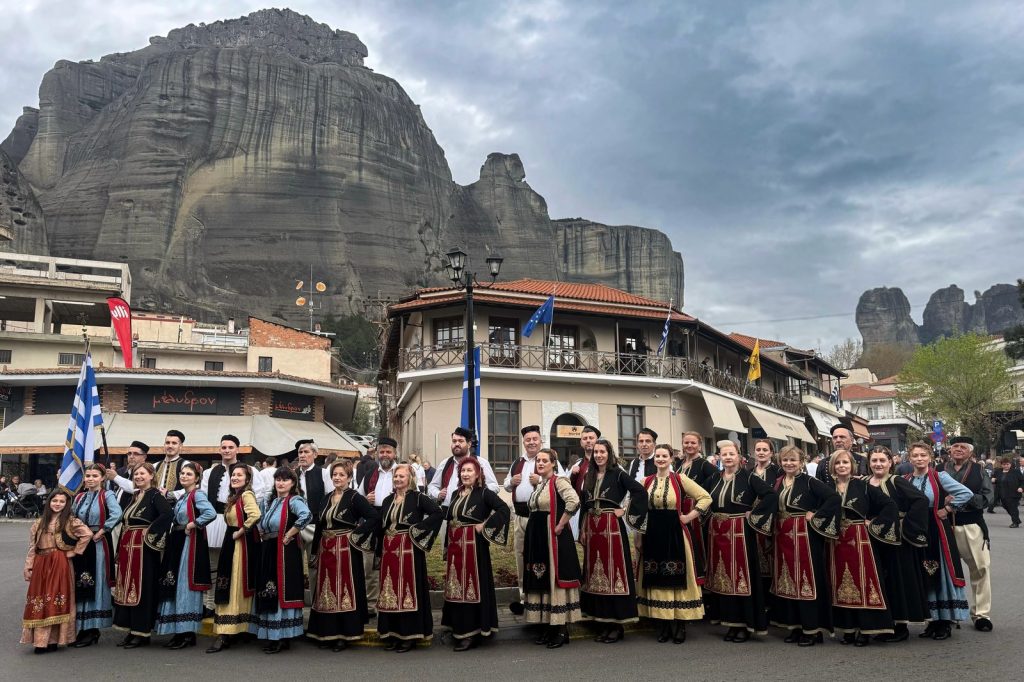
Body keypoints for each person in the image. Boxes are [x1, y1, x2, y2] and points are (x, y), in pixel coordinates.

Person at [704, 439, 778, 642]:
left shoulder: (749, 477)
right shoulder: (714, 478)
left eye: (731, 454)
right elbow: (702, 498)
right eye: (724, 454)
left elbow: (771, 496)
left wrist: (754, 514)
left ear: (739, 457)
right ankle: (730, 623)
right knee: (722, 578)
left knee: (741, 579)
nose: (728, 457)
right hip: (717, 534)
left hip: (740, 535)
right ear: (719, 457)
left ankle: (745, 625)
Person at [637, 443, 711, 644]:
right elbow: (638, 509)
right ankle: (664, 624)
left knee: (677, 575)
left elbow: (705, 498)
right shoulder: (645, 481)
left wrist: (689, 516)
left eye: (664, 456)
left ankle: (680, 625)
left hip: (675, 533)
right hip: (653, 533)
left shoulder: (680, 479)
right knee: (657, 576)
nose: (660, 459)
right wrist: (638, 536)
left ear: (671, 459)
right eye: (658, 456)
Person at [827, 449, 900, 646]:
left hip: (860, 541)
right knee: (839, 582)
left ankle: (866, 629)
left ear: (852, 465)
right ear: (832, 466)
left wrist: (875, 523)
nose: (841, 466)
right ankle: (848, 629)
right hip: (835, 542)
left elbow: (889, 505)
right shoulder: (827, 487)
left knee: (863, 582)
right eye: (837, 463)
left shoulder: (862, 486)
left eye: (845, 462)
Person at [769, 445, 839, 647]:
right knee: (788, 581)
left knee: (807, 581)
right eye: (785, 460)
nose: (789, 463)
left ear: (801, 462)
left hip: (805, 539)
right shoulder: (778, 481)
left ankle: (812, 629)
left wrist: (816, 515)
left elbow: (833, 498)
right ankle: (795, 626)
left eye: (793, 460)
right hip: (783, 537)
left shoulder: (810, 481)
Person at [579, 438, 647, 643]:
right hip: (592, 529)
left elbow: (639, 491)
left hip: (612, 530)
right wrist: (582, 528)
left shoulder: (618, 474)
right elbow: (584, 504)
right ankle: (602, 622)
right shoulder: (589, 475)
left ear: (609, 454)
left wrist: (624, 509)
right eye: (596, 452)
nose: (599, 455)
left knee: (613, 573)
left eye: (603, 452)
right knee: (595, 575)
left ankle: (617, 625)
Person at [307, 460, 379, 650]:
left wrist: (355, 534)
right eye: (334, 475)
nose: (337, 478)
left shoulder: (355, 497)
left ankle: (343, 634)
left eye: (341, 475)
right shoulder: (326, 498)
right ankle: (326, 631)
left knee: (343, 589)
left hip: (346, 551)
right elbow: (319, 526)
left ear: (349, 477)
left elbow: (374, 517)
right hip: (326, 550)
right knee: (326, 589)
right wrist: (314, 552)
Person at [441, 456, 510, 651]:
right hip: (455, 548)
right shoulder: (455, 493)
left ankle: (472, 632)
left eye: (469, 470)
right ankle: (458, 627)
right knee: (456, 586)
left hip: (474, 548)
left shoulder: (484, 493)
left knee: (471, 588)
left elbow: (503, 509)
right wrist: (446, 547)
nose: (465, 474)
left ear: (478, 473)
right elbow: (450, 521)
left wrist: (485, 525)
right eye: (463, 471)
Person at [905, 441, 972, 640]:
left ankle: (944, 622)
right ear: (910, 459)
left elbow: (966, 493)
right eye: (915, 456)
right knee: (921, 573)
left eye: (923, 455)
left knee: (940, 572)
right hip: (915, 531)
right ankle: (932, 620)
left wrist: (949, 509)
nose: (919, 459)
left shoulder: (939, 476)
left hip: (936, 529)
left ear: (930, 457)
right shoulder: (905, 479)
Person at [375, 463, 444, 652]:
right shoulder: (388, 500)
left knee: (407, 591)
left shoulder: (418, 498)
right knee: (390, 590)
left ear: (410, 478)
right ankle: (391, 633)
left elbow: (437, 513)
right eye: (396, 476)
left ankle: (409, 635)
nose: (398, 479)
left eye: (402, 476)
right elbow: (381, 524)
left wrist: (417, 531)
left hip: (409, 552)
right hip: (389, 552)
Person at [866, 445, 931, 642]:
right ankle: (883, 624)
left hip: (896, 541)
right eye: (874, 460)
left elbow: (920, 501)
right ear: (869, 463)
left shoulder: (896, 481)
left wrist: (904, 525)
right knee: (880, 581)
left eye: (882, 460)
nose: (878, 464)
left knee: (897, 581)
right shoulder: (863, 482)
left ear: (890, 463)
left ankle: (900, 626)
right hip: (872, 539)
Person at [200, 435, 268, 612]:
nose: (227, 450)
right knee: (213, 564)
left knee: (235, 564)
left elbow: (260, 493)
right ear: (219, 449)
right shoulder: (209, 472)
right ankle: (210, 603)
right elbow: (203, 496)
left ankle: (235, 604)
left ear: (237, 449)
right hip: (215, 519)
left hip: (238, 521)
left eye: (231, 447)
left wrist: (241, 507)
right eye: (224, 447)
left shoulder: (249, 470)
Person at [523, 448, 582, 648]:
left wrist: (560, 524)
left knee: (554, 577)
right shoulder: (541, 484)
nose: (540, 463)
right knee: (543, 578)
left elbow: (574, 501)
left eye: (544, 461)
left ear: (553, 463)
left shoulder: (559, 481)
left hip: (552, 537)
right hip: (538, 536)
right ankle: (549, 627)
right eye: (538, 460)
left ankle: (561, 630)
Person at [504, 425, 566, 615]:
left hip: (539, 518)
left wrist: (539, 481)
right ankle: (525, 598)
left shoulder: (548, 459)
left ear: (541, 441)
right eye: (528, 440)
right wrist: (511, 482)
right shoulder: (517, 462)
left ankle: (545, 598)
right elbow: (506, 485)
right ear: (523, 442)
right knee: (520, 557)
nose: (531, 442)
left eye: (535, 439)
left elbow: (562, 482)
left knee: (540, 556)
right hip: (520, 517)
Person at [21, 490, 93, 653]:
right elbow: (32, 547)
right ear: (49, 502)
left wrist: (74, 551)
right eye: (55, 500)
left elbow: (87, 534)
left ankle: (53, 641)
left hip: (59, 562)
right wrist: (28, 566)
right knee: (39, 600)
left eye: (62, 501)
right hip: (41, 562)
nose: (58, 504)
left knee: (55, 599)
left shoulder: (70, 521)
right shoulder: (39, 522)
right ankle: (40, 641)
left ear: (67, 504)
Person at [154, 461, 216, 649]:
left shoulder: (198, 495)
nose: (184, 476)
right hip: (178, 541)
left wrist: (193, 524)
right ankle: (179, 631)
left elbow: (210, 513)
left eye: (189, 474)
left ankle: (187, 633)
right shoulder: (183, 496)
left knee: (184, 583)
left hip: (189, 542)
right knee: (174, 582)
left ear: (197, 479)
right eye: (182, 473)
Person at [113, 462, 173, 648]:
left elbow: (167, 514)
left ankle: (142, 631)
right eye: (136, 474)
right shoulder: (135, 495)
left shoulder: (155, 495)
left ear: (151, 476)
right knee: (126, 587)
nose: (138, 477)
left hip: (143, 549)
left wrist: (150, 532)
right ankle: (131, 629)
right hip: (128, 546)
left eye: (142, 474)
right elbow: (126, 523)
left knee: (142, 587)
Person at [937, 436, 994, 631]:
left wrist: (960, 499)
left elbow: (988, 498)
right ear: (950, 449)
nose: (958, 449)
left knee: (981, 569)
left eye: (963, 447)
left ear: (970, 451)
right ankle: (948, 613)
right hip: (944, 526)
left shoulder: (979, 470)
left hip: (971, 525)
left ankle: (981, 614)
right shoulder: (939, 469)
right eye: (955, 446)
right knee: (945, 572)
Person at [254, 467, 312, 653]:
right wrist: (261, 529)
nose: (280, 483)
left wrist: (289, 533)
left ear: (292, 483)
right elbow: (261, 520)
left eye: (285, 480)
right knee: (269, 588)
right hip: (269, 548)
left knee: (281, 588)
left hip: (285, 550)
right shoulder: (271, 501)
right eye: (278, 479)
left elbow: (306, 515)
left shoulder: (294, 501)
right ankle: (272, 635)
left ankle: (282, 637)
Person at [207, 463, 262, 653]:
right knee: (230, 583)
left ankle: (226, 632)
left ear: (247, 479)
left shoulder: (246, 495)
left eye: (239, 475)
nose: (235, 477)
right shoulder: (235, 497)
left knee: (235, 584)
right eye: (233, 475)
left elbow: (255, 514)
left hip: (240, 545)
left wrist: (241, 531)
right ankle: (238, 628)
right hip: (231, 543)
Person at [71, 463, 123, 648]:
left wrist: (103, 530)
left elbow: (117, 513)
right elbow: (71, 517)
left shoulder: (107, 495)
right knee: (81, 581)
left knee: (97, 581)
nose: (91, 479)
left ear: (102, 478)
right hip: (81, 543)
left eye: (95, 476)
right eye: (88, 476)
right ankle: (82, 627)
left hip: (98, 542)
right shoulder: (79, 497)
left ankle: (93, 629)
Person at [354, 434, 398, 612]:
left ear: (395, 453)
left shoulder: (403, 472)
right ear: (377, 453)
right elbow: (357, 499)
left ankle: (393, 601)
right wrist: (366, 500)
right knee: (370, 565)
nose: (385, 455)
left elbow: (415, 496)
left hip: (394, 523)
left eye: (388, 452)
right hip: (373, 523)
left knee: (393, 563)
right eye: (382, 452)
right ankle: (371, 605)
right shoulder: (370, 474)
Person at [428, 427, 500, 508]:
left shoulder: (481, 463)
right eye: (454, 441)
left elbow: (494, 487)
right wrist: (438, 494)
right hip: (447, 511)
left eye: (461, 441)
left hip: (472, 511)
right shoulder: (445, 463)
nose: (457, 444)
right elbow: (432, 487)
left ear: (469, 444)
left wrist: (479, 494)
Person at [749, 438, 780, 595]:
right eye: (758, 450)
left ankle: (771, 594)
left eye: (765, 450)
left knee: (770, 555)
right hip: (751, 519)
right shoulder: (748, 472)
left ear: (771, 453)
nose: (761, 453)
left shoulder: (778, 472)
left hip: (771, 518)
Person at [105, 441, 149, 509]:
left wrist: (116, 477)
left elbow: (138, 489)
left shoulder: (148, 472)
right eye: (129, 453)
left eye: (136, 454)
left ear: (144, 457)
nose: (131, 456)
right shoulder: (122, 471)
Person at [569, 425, 601, 494]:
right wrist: (573, 476)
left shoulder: (608, 463)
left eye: (591, 438)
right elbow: (569, 490)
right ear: (581, 443)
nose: (588, 441)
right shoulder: (576, 465)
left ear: (597, 441)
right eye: (585, 438)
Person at [155, 430, 187, 495]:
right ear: (164, 445)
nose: (170, 446)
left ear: (180, 446)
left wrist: (169, 494)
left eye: (174, 443)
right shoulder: (154, 466)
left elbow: (192, 488)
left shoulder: (186, 465)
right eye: (167, 443)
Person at [996, 456, 1024, 527]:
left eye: (1007, 464)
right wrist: (993, 479)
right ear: (1001, 465)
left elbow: (1022, 481)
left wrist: (1021, 487)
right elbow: (996, 479)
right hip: (1002, 493)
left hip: (1014, 493)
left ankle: (1015, 523)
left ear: (1010, 464)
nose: (1006, 466)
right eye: (1004, 464)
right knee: (1006, 506)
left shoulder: (1016, 472)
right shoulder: (998, 471)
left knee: (1013, 508)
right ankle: (1017, 520)